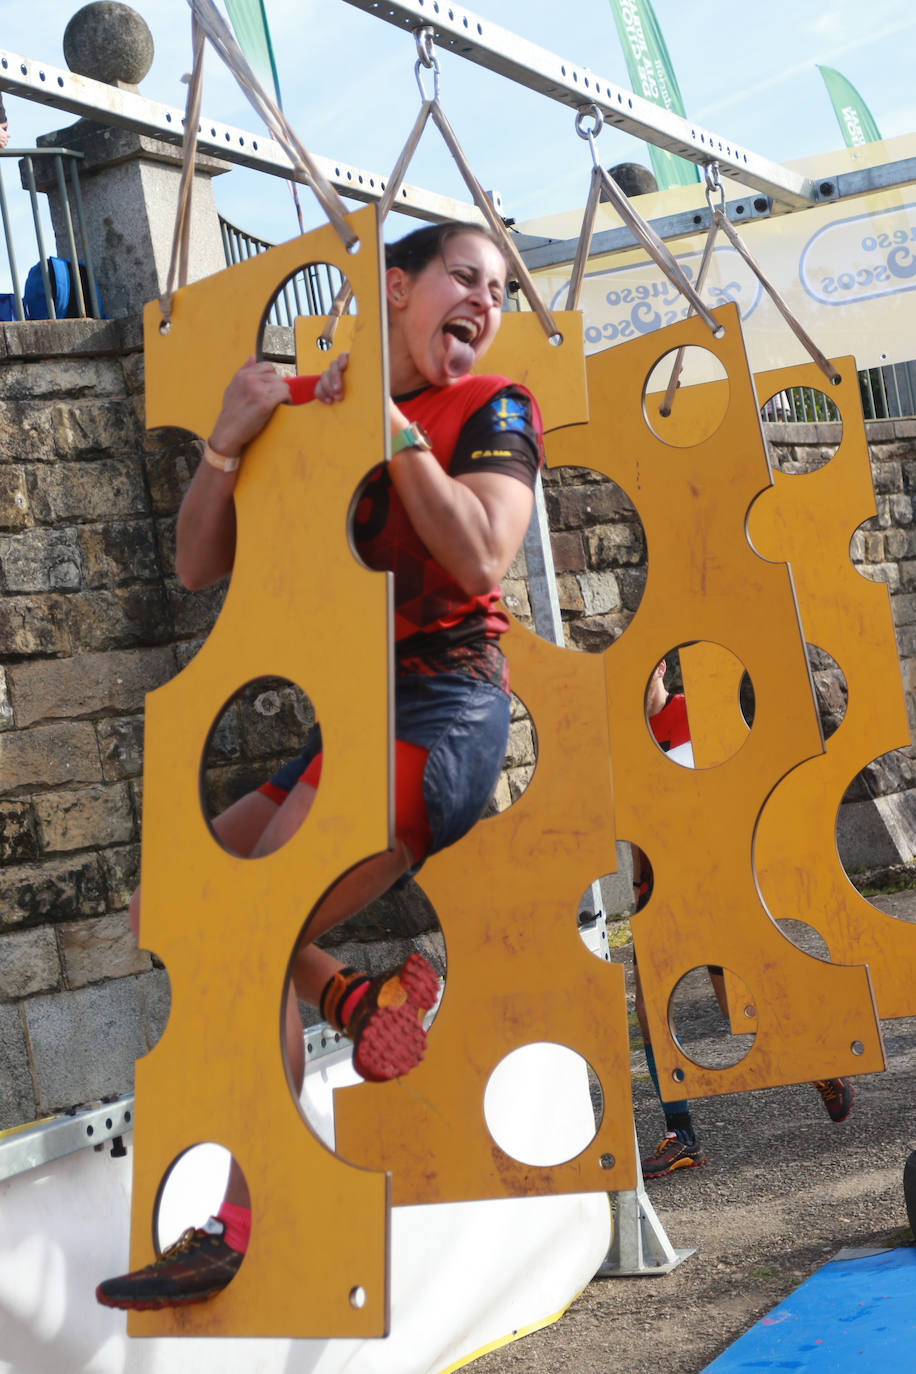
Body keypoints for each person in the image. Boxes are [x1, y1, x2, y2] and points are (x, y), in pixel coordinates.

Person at [96, 220, 544, 1310]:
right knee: (168, 906)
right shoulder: (320, 399)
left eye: (497, 290)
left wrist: (393, 433)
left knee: (252, 934)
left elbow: (484, 551)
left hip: (440, 715)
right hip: (341, 727)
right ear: (394, 286)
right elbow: (201, 564)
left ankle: (241, 1223)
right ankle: (353, 996)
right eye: (462, 280)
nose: (483, 304)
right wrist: (229, 440)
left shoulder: (492, 408)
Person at [633, 660, 854, 1181]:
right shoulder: (626, 736)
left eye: (642, 674)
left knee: (745, 1000)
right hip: (659, 890)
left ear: (661, 669)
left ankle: (821, 1065)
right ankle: (680, 1136)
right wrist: (641, 881)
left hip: (714, 881)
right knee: (649, 1008)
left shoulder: (699, 716)